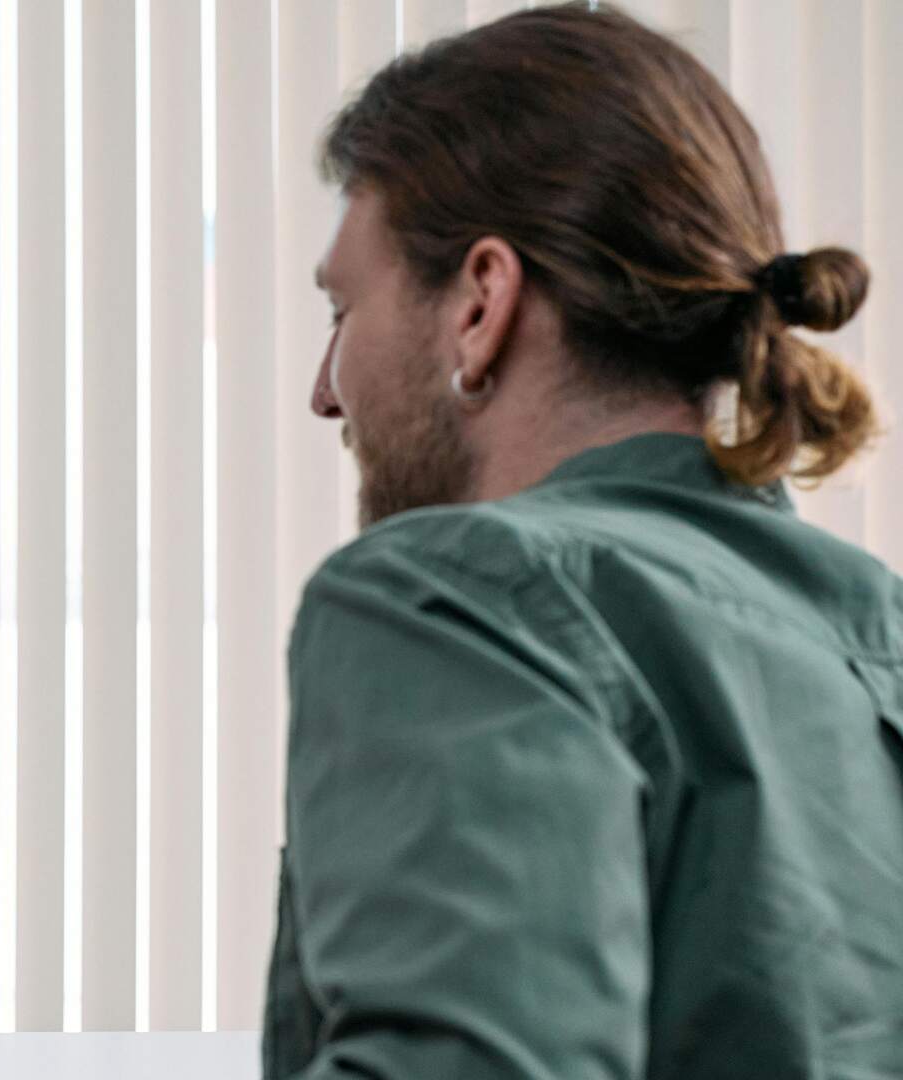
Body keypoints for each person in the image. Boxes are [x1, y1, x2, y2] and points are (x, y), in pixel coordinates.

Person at [270, 4, 903, 1077]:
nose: (326, 392)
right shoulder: (871, 627)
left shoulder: (454, 597)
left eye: (345, 308)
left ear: (480, 301)